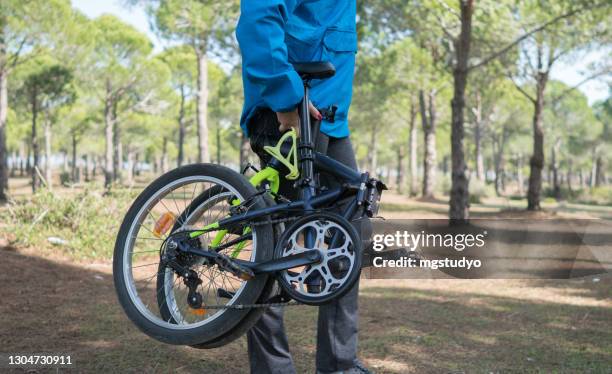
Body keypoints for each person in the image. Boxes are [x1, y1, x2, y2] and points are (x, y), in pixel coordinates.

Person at [236, 1, 371, 373]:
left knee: (352, 232)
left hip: (329, 122)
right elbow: (259, 19)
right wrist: (284, 97)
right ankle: (272, 368)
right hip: (289, 115)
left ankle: (339, 364)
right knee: (273, 243)